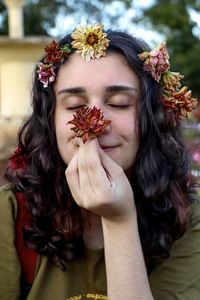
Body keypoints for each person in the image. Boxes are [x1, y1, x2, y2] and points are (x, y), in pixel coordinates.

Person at [0, 23, 199, 300]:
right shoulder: (9, 212)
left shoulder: (187, 218)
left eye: (118, 103)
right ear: (50, 120)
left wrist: (119, 221)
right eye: (74, 106)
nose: (95, 124)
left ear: (151, 118)